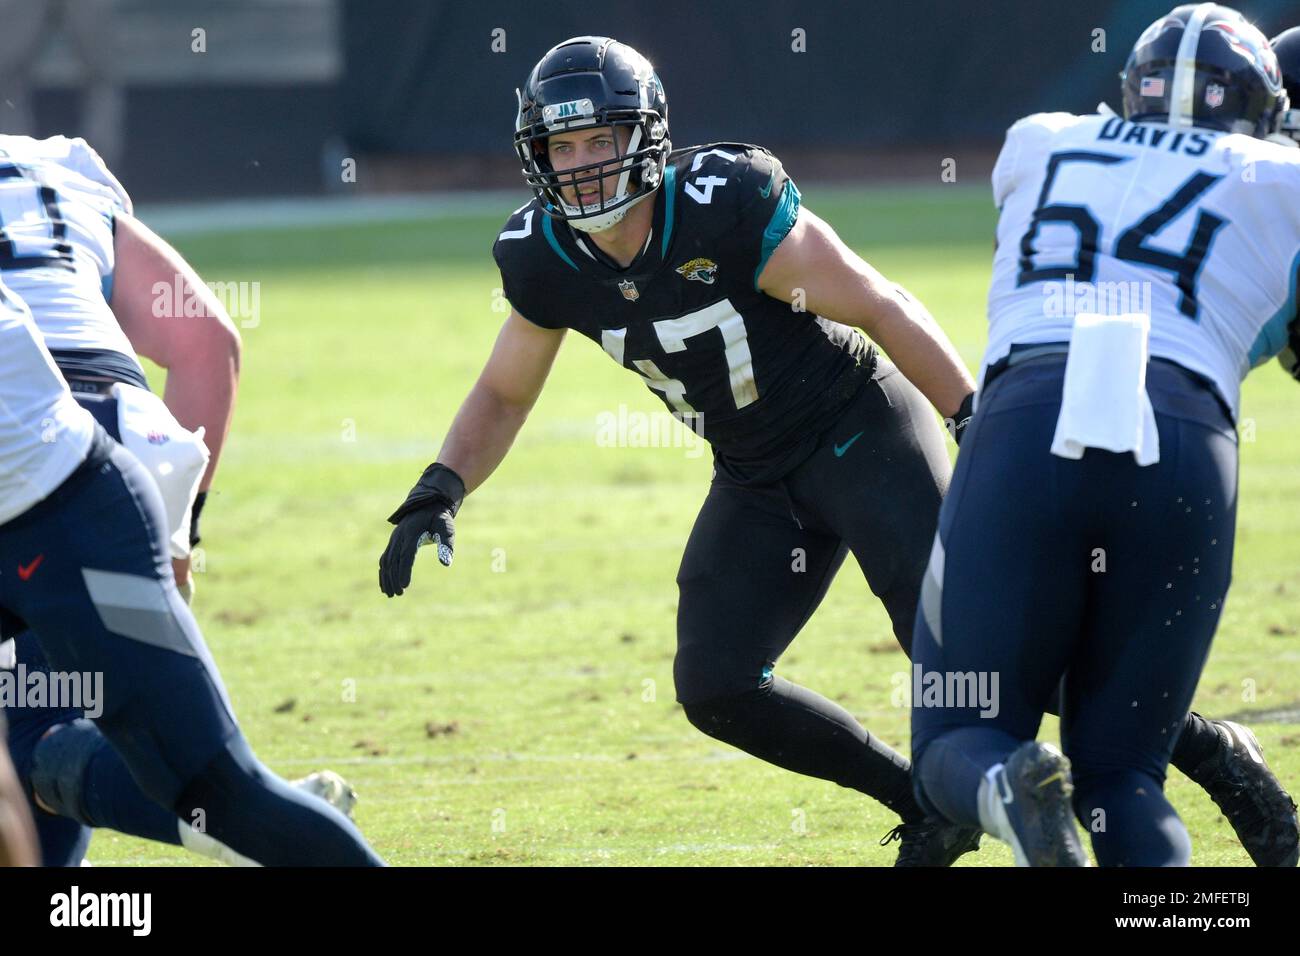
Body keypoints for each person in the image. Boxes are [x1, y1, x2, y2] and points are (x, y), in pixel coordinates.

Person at [380, 35, 986, 865]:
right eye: (564, 145)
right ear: (537, 155)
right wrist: (440, 487)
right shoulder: (543, 257)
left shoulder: (722, 202)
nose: (585, 165)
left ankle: (1199, 748)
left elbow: (878, 304)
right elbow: (503, 393)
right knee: (716, 686)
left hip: (856, 427)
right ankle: (924, 805)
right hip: (752, 470)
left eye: (603, 139)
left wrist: (970, 417)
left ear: (648, 136)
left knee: (961, 653)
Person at [911, 3, 1300, 866]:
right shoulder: (1283, 183)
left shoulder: (1041, 141)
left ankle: (1009, 792)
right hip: (1184, 430)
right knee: (1124, 773)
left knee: (953, 741)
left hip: (1027, 416)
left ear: (1132, 92)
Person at [0, 281, 383, 866]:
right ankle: (231, 822)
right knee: (37, 754)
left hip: (55, 503)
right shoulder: (73, 190)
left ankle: (236, 822)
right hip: (98, 462)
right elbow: (208, 337)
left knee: (205, 788)